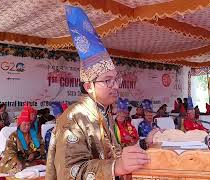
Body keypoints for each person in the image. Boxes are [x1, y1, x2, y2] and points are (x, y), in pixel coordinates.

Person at [46, 6, 156, 179]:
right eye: (107, 80)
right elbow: (70, 171)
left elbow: (114, 153)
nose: (115, 86)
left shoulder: (103, 112)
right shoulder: (73, 118)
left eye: (116, 79)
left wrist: (139, 148)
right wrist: (115, 167)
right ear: (89, 86)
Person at [0, 106, 45, 178]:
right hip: (15, 159)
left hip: (31, 159)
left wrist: (35, 153)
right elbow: (9, 151)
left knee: (44, 167)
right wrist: (17, 161)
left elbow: (42, 147)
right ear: (19, 125)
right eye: (24, 125)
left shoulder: (35, 134)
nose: (27, 127)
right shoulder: (14, 135)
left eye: (28, 125)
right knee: (12, 167)